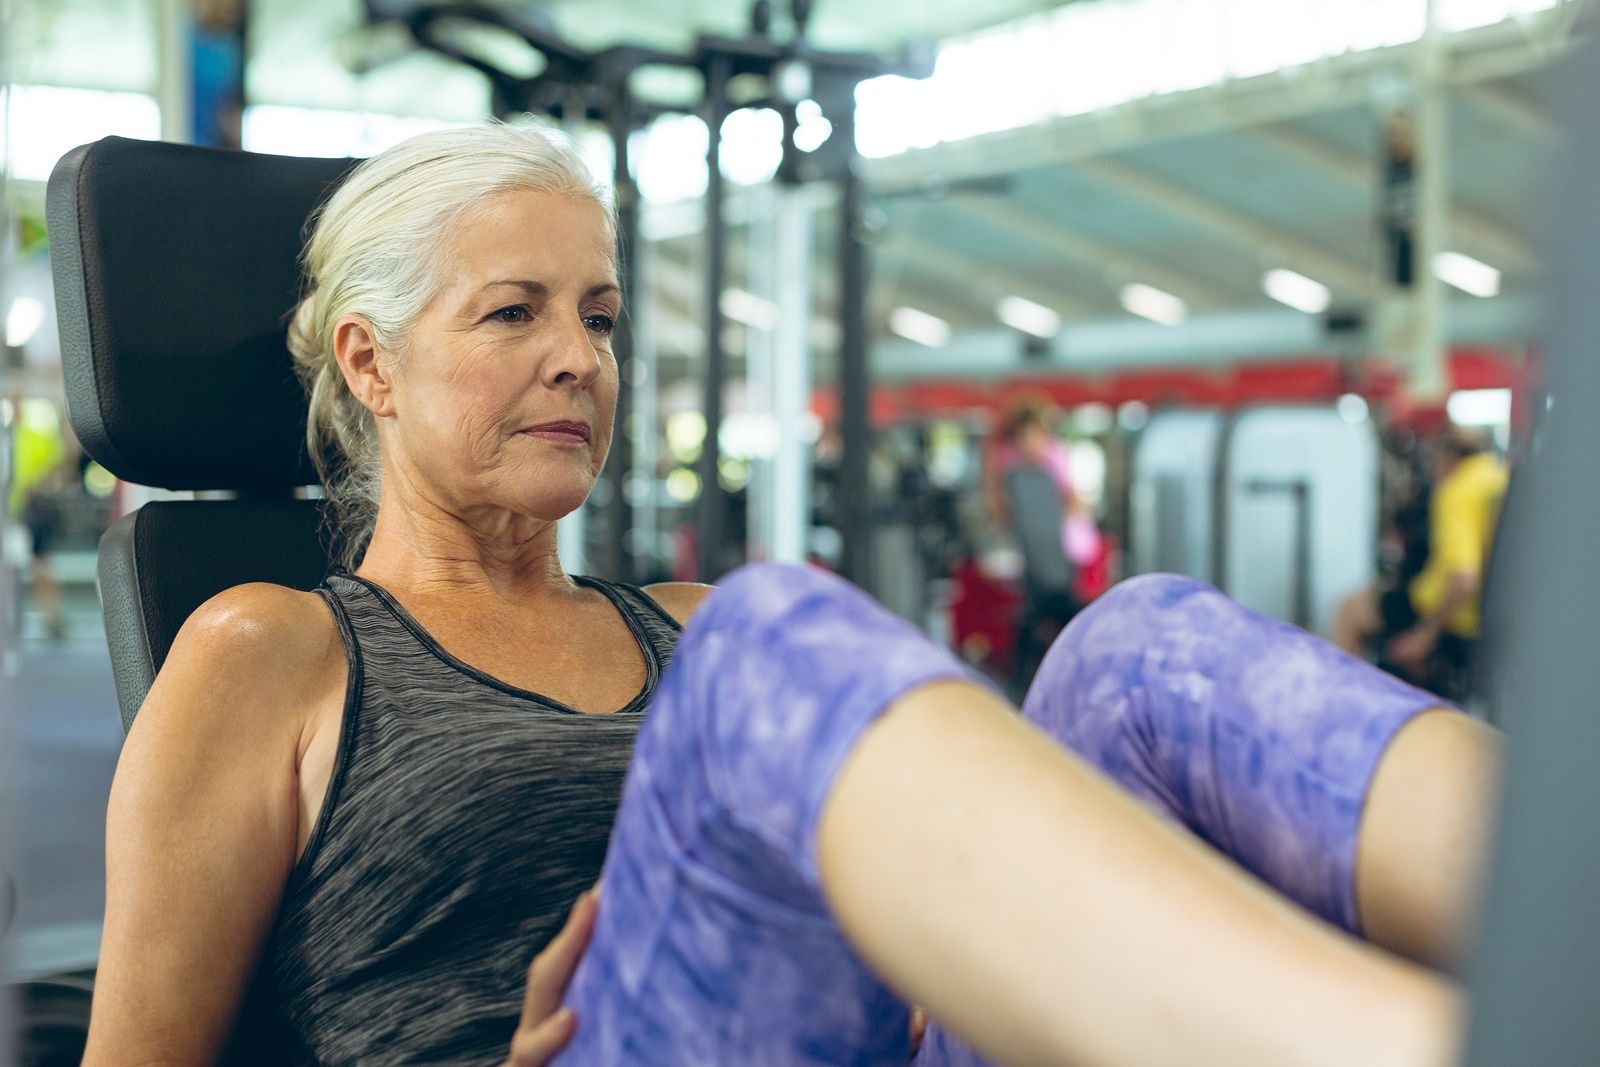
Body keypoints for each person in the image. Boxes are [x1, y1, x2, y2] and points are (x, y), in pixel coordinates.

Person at [83, 125, 1500, 1067]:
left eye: (600, 315)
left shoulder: (688, 622)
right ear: (371, 364)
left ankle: (1554, 926)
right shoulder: (271, 650)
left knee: (1133, 649)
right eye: (514, 310)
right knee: (768, 637)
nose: (579, 357)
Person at [1334, 428, 1509, 695]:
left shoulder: (1455, 491)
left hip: (1446, 616)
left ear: (1448, 457)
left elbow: (1464, 578)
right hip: (1489, 621)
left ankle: (1349, 706)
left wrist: (1425, 634)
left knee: (1349, 610)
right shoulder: (1498, 477)